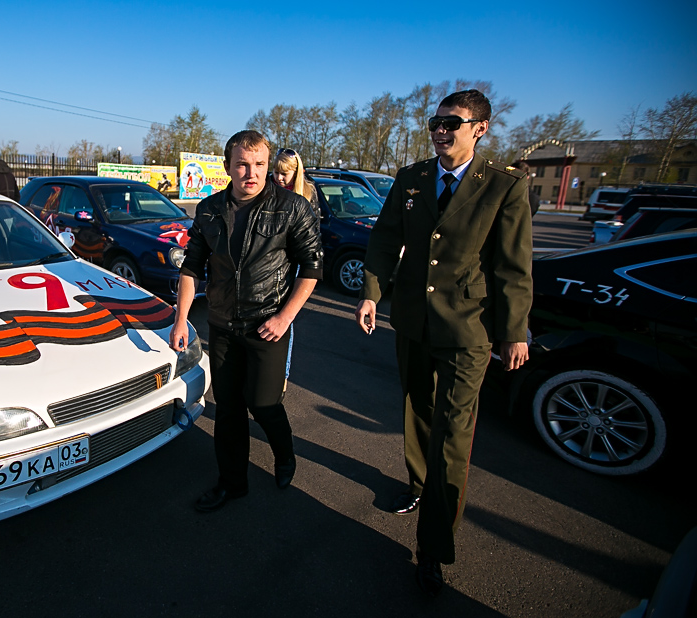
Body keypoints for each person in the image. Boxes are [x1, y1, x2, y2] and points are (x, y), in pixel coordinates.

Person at [354, 89, 532, 596]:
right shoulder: (411, 179)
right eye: (436, 122)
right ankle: (418, 484)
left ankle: (432, 546)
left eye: (453, 123)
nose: (441, 130)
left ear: (480, 129)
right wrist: (371, 293)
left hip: (467, 330)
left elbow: (512, 267)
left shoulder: (503, 187)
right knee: (416, 407)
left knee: (453, 435)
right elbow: (386, 239)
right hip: (412, 319)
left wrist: (513, 330)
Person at [170, 130, 323, 513]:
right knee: (230, 408)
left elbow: (312, 267)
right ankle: (232, 482)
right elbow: (191, 268)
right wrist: (181, 320)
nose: (251, 173)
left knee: (264, 402)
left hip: (268, 326)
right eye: (242, 164)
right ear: (228, 167)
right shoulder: (208, 210)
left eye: (258, 165)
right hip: (223, 326)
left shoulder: (292, 207)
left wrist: (285, 317)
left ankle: (284, 455)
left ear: (267, 166)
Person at [271, 147, 321, 385]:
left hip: (297, 264)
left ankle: (282, 375)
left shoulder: (308, 194)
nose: (279, 178)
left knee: (285, 317)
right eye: (276, 172)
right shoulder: (269, 191)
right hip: (273, 262)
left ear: (296, 172)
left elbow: (314, 237)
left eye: (284, 173)